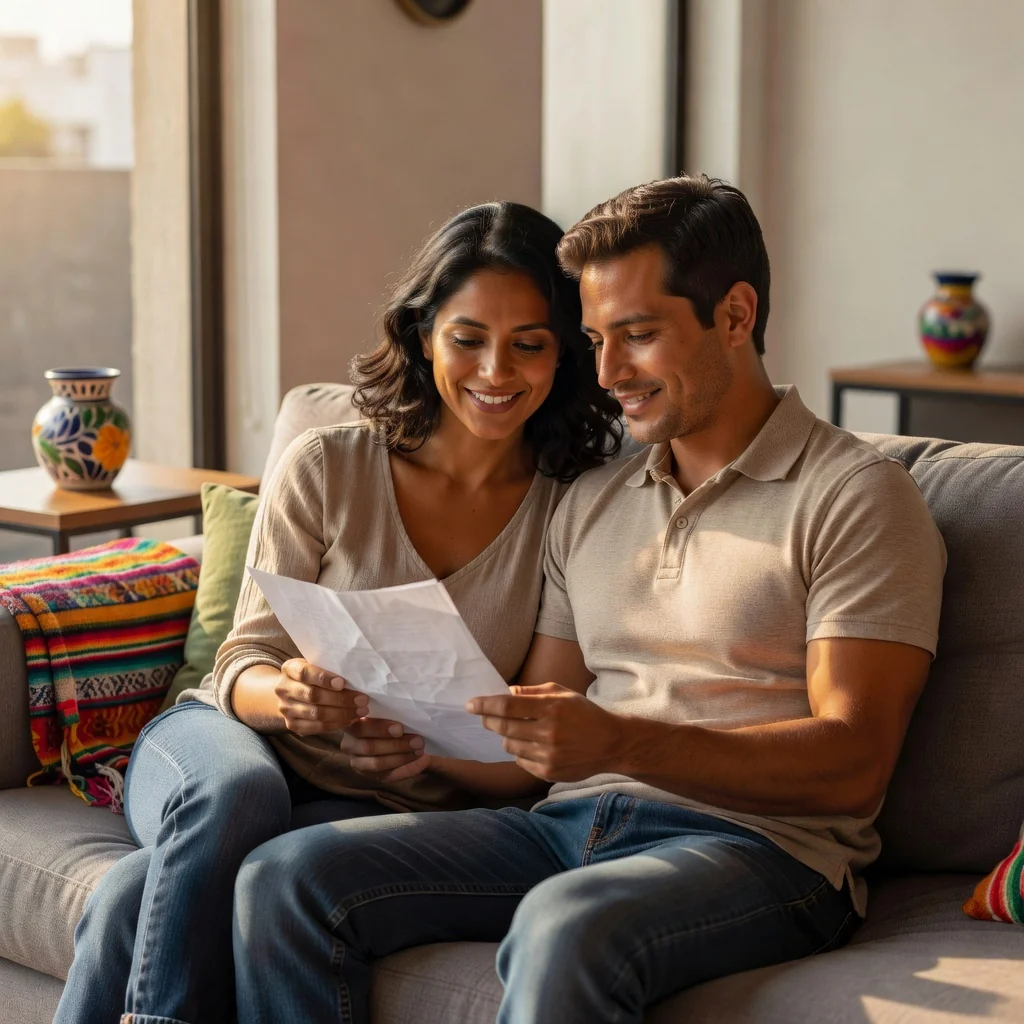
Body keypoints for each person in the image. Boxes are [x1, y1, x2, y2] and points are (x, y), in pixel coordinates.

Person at [230, 175, 947, 1024]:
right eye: (597, 339)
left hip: (763, 853)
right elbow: (532, 742)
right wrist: (409, 742)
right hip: (570, 826)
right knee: (288, 879)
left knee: (564, 924)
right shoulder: (594, 498)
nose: (608, 373)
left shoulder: (856, 496)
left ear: (736, 314)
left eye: (638, 336)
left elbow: (852, 761)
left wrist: (620, 741)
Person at [53, 201, 622, 1024]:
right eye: (468, 338)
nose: (496, 370)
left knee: (138, 895)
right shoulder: (328, 462)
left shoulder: (571, 504)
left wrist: (421, 753)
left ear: (563, 353)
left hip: (369, 796)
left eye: (529, 343)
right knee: (239, 797)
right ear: (425, 336)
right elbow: (239, 662)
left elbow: (531, 750)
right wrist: (285, 694)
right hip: (229, 740)